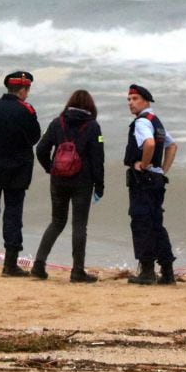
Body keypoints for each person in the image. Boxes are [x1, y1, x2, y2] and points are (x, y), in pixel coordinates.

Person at [32, 90, 106, 283]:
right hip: (83, 181)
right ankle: (77, 271)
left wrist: (50, 168)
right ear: (90, 106)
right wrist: (100, 185)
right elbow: (98, 159)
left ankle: (38, 265)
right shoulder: (92, 126)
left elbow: (40, 149)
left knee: (56, 222)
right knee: (79, 225)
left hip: (58, 180)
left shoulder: (58, 122)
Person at [0, 71, 41, 277]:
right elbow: (35, 137)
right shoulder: (26, 110)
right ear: (22, 90)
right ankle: (10, 265)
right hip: (16, 170)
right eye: (27, 90)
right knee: (12, 214)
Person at [123, 84, 178, 285]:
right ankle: (167, 271)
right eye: (129, 99)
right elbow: (172, 145)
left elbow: (150, 144)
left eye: (135, 99)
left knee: (141, 223)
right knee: (156, 225)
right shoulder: (157, 122)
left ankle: (146, 271)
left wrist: (145, 165)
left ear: (146, 101)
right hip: (156, 180)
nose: (131, 103)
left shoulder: (142, 123)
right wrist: (161, 170)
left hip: (143, 181)